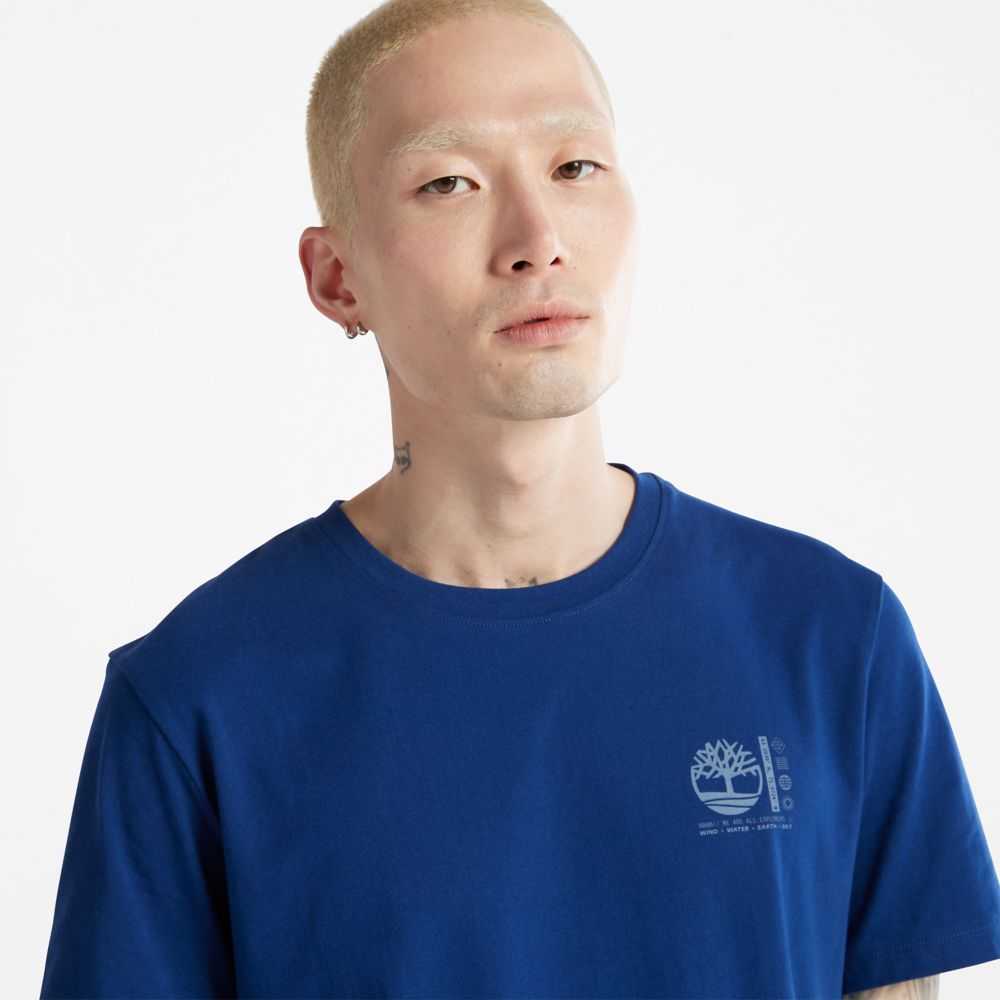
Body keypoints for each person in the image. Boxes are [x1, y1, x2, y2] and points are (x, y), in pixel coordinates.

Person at [40, 1, 1000, 997]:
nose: (537, 239)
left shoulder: (831, 638)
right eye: (448, 182)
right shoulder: (198, 699)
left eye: (575, 167)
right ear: (337, 278)